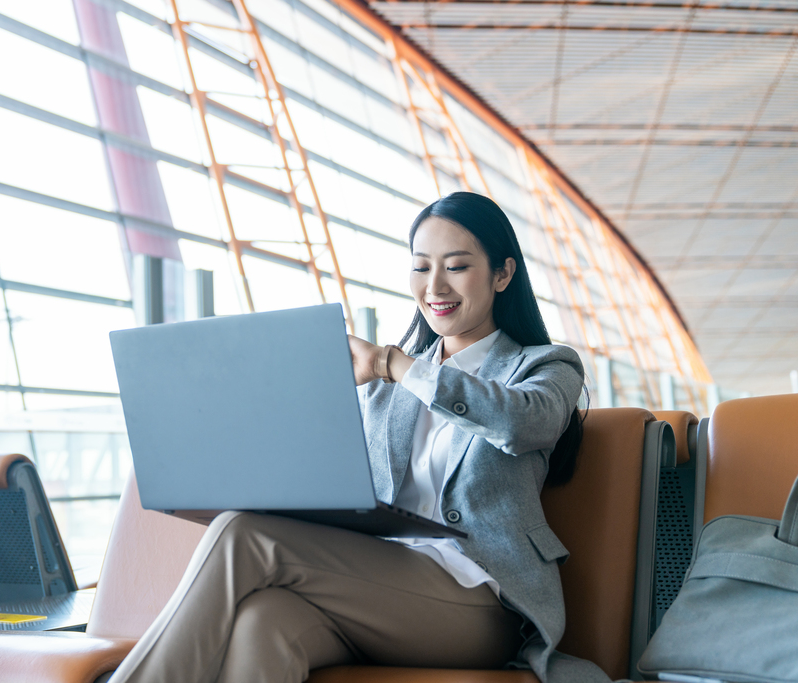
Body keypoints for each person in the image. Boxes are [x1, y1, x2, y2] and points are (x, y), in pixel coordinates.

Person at [110, 192, 607, 683]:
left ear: (502, 274)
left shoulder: (544, 366)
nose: (435, 285)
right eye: (421, 267)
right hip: (378, 583)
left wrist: (395, 363)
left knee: (242, 535)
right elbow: (339, 482)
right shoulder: (383, 392)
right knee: (264, 623)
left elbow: (520, 424)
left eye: (456, 266)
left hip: (482, 599)